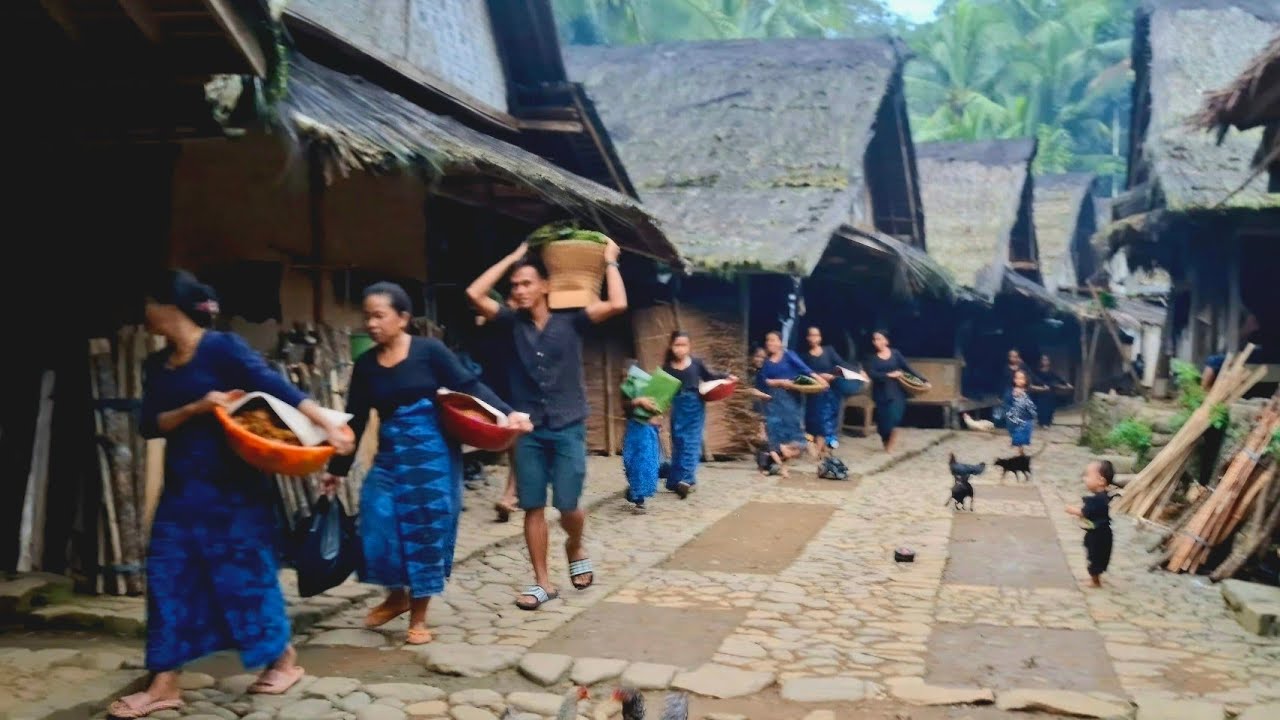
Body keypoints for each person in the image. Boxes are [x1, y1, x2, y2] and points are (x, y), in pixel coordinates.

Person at [110, 271, 356, 719]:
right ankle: (164, 682)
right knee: (166, 580)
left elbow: (276, 386)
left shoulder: (222, 348)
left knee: (244, 577)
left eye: (149, 302)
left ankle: (282, 659)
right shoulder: (157, 365)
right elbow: (150, 425)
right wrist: (197, 407)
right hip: (183, 492)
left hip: (236, 492)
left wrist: (327, 423)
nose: (143, 311)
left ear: (169, 305)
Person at [325, 282, 530, 645]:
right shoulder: (366, 366)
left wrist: (508, 413)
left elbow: (470, 386)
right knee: (374, 520)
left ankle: (418, 617)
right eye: (367, 316)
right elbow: (354, 421)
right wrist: (336, 470)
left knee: (426, 532)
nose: (371, 324)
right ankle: (396, 595)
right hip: (390, 457)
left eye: (379, 316)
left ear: (403, 318)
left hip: (432, 458)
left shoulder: (429, 351)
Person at [466, 238, 628, 611]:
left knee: (568, 504)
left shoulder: (573, 321)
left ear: (546, 286)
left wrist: (610, 262)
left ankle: (575, 544)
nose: (519, 290)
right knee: (533, 506)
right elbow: (474, 293)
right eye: (515, 286)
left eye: (527, 283)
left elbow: (618, 304)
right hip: (528, 429)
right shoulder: (510, 323)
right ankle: (543, 582)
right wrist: (512, 256)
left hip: (568, 425)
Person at [661, 331, 734, 498]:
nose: (680, 349)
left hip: (695, 405)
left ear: (689, 346)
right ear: (671, 346)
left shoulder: (696, 363)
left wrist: (726, 377)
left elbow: (710, 377)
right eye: (677, 345)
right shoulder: (667, 368)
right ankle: (674, 480)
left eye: (684, 345)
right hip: (677, 407)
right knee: (678, 441)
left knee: (691, 442)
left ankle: (687, 480)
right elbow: (662, 394)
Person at [755, 330, 827, 465]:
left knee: (794, 429)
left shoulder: (789, 356)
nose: (770, 343)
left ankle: (806, 455)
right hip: (774, 401)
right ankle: (780, 460)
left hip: (792, 399)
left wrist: (820, 380)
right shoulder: (767, 362)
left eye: (773, 340)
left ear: (780, 342)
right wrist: (781, 382)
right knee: (775, 430)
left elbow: (805, 369)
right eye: (768, 340)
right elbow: (765, 381)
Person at [801, 326, 859, 452]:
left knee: (827, 421)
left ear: (820, 338)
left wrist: (833, 376)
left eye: (816, 335)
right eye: (811, 335)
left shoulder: (829, 351)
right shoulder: (805, 357)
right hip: (814, 394)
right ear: (807, 338)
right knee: (814, 422)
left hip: (830, 393)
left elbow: (841, 365)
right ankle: (819, 450)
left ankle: (823, 450)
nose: (814, 338)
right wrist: (819, 376)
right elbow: (804, 374)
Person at [865, 330, 922, 453]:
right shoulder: (872, 358)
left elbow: (908, 368)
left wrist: (923, 380)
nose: (877, 342)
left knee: (895, 419)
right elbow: (872, 373)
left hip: (897, 392)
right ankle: (885, 440)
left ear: (886, 340)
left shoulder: (896, 354)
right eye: (875, 339)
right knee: (882, 423)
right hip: (880, 393)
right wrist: (888, 375)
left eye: (879, 338)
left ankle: (890, 446)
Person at [620, 363, 663, 514]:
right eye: (624, 376)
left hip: (647, 431)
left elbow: (659, 407)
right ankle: (634, 492)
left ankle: (639, 500)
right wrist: (637, 401)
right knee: (631, 463)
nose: (627, 379)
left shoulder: (648, 389)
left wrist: (657, 417)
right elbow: (626, 407)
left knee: (644, 464)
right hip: (633, 431)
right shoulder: (626, 391)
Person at [1065, 459, 1114, 588]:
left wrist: (1072, 510)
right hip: (1101, 532)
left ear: (1101, 481)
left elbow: (1085, 512)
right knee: (1096, 556)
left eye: (1087, 475)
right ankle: (1096, 578)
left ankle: (1095, 581)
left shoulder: (1098, 499)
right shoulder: (1102, 497)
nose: (1084, 479)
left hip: (1098, 535)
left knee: (1094, 556)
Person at [1029, 354, 1071, 428]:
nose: (1045, 361)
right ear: (1041, 361)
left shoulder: (1051, 371)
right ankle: (1042, 422)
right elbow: (1035, 380)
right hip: (1041, 391)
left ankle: (1048, 422)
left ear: (1049, 361)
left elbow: (1058, 378)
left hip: (1050, 391)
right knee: (1041, 408)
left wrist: (1067, 384)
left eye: (1046, 360)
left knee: (1050, 408)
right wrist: (1042, 385)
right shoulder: (1037, 371)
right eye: (1043, 360)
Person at [1004, 369, 1038, 454]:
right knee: (1015, 433)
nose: (1019, 380)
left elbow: (1031, 404)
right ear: (1014, 379)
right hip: (1014, 417)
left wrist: (1023, 395)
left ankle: (1020, 448)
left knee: (1024, 433)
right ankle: (1019, 446)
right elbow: (1007, 402)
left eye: (1021, 378)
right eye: (1017, 378)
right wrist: (1013, 396)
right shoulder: (1010, 391)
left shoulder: (1029, 391)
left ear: (1026, 380)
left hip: (1026, 417)